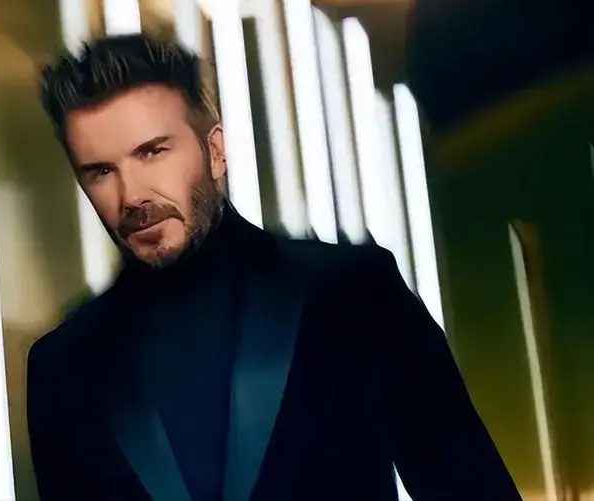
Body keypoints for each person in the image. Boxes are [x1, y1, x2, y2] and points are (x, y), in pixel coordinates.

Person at [26, 33, 522, 501]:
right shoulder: (62, 369)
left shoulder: (353, 294)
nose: (131, 195)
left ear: (215, 151)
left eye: (152, 152)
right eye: (101, 171)